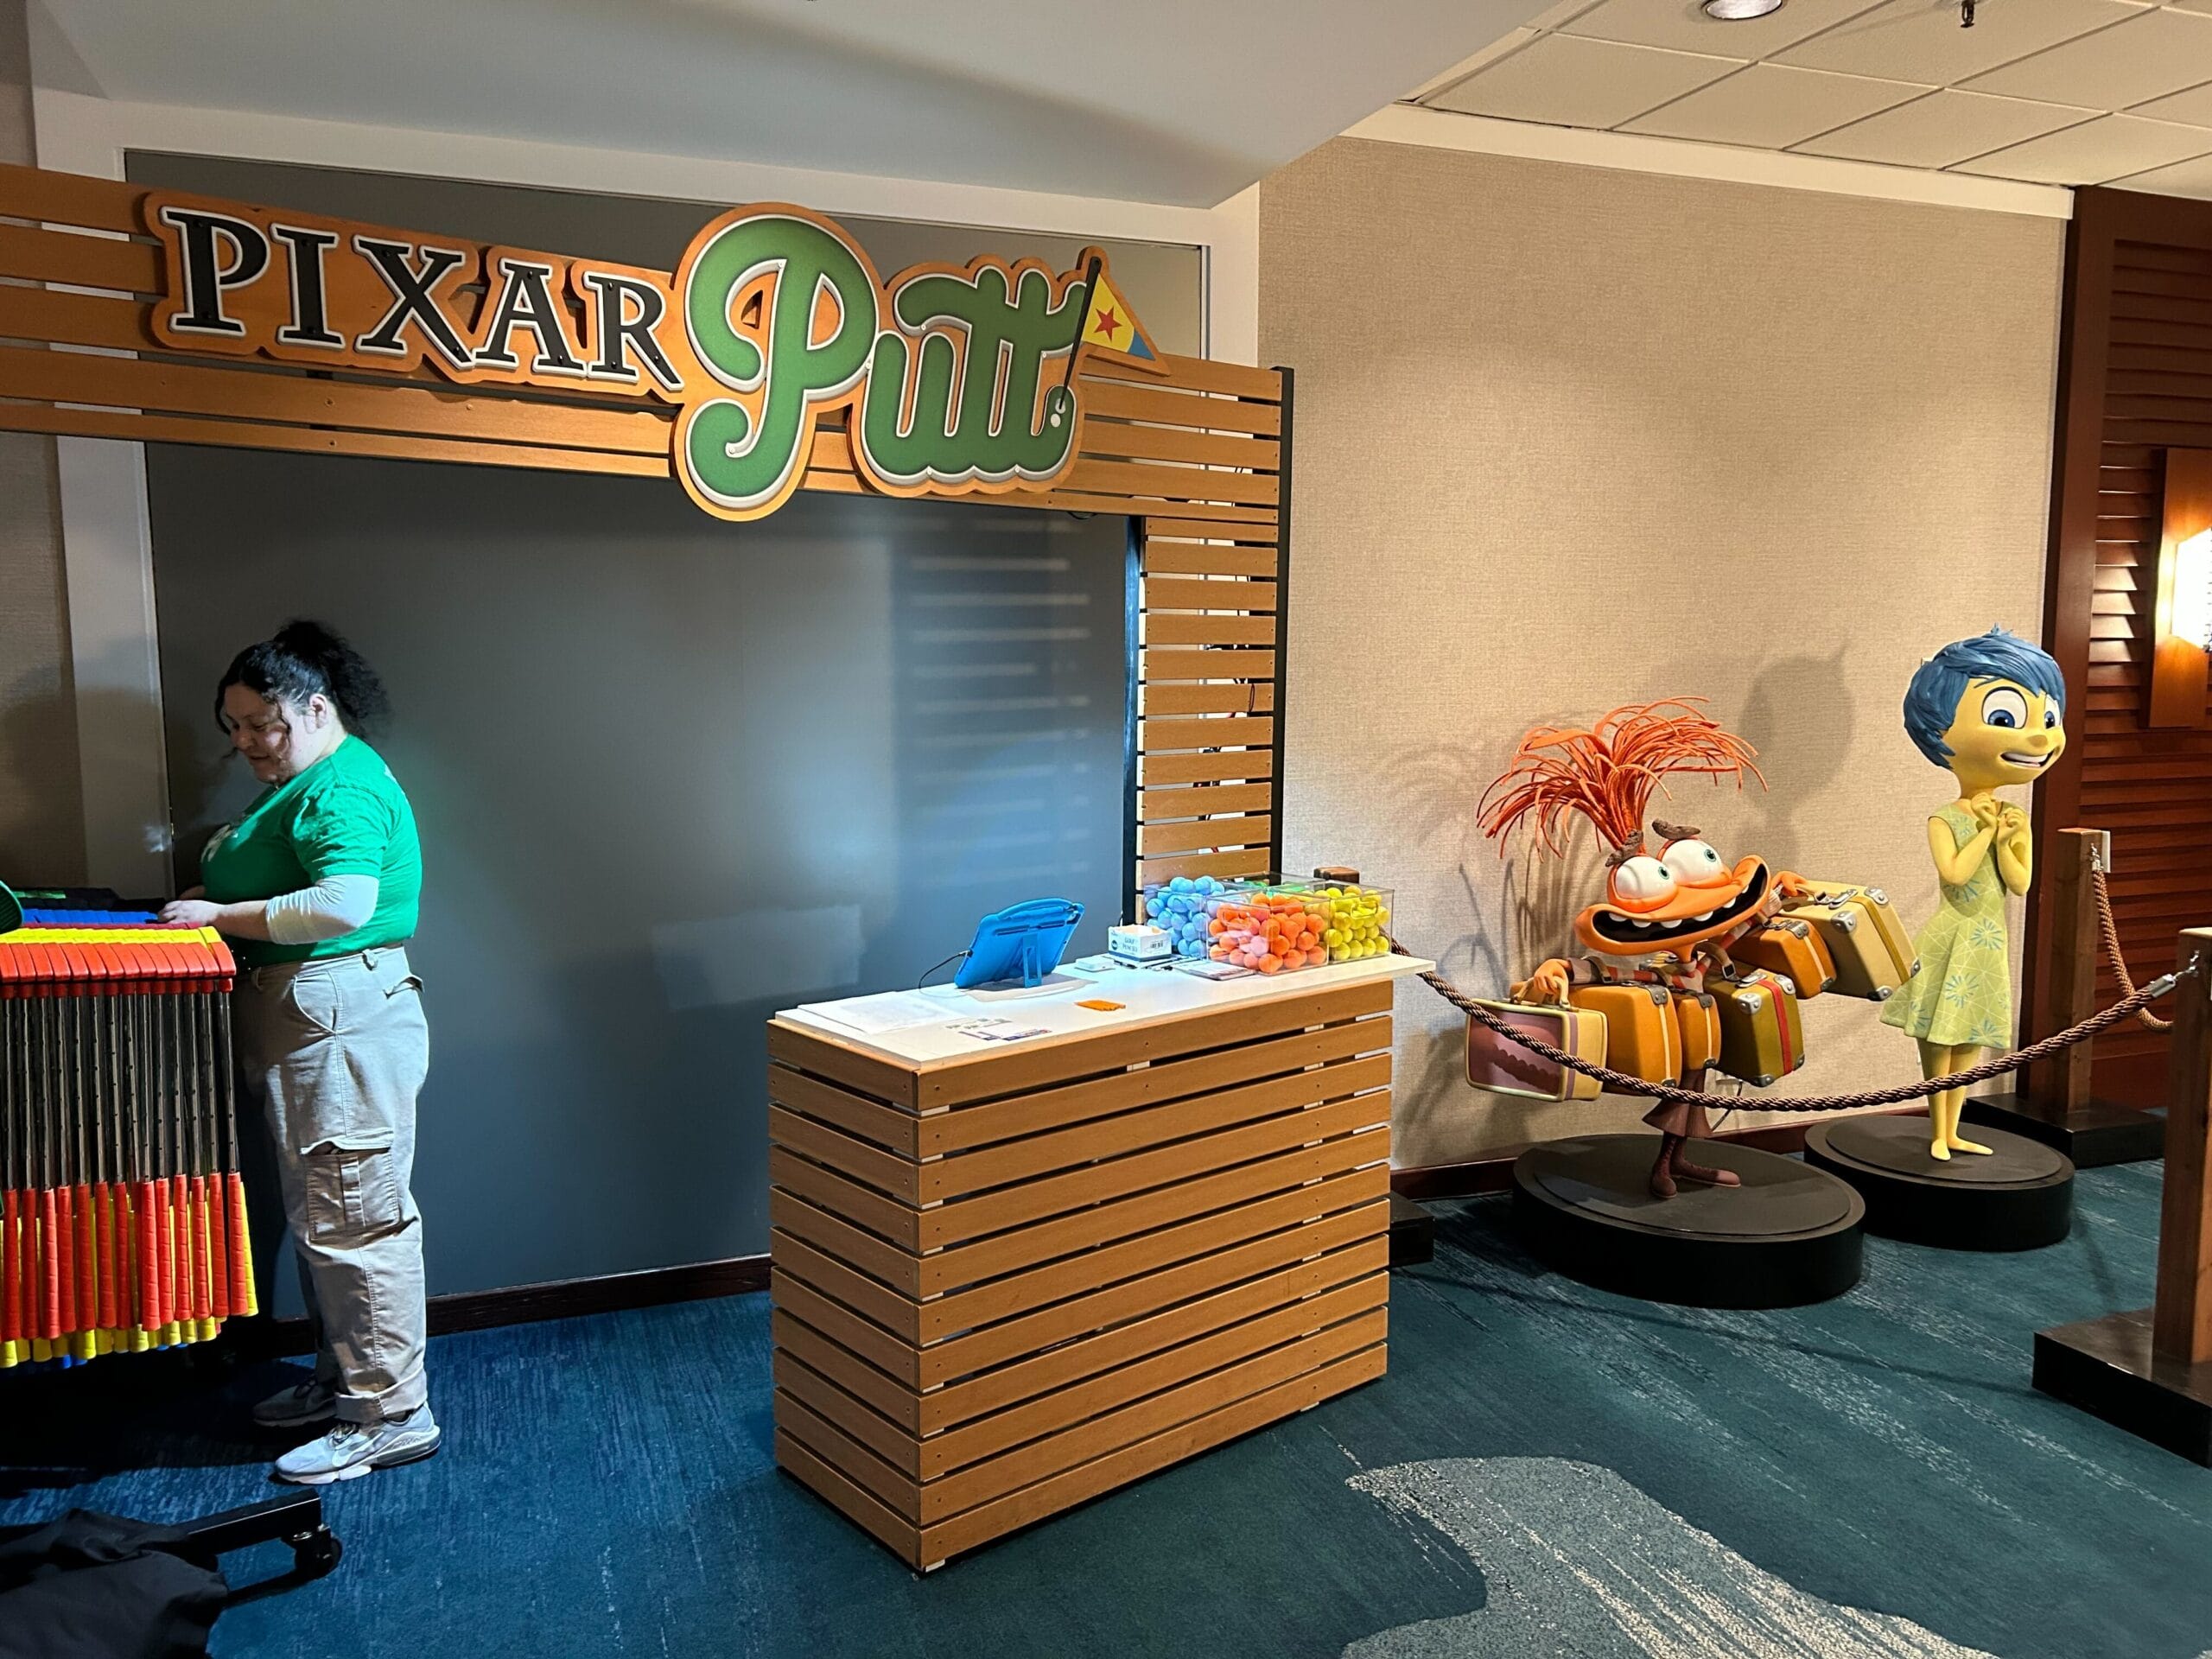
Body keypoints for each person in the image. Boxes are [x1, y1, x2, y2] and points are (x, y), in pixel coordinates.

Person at [160, 620, 436, 1483]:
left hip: (339, 1017)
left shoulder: (341, 786)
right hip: (315, 1017)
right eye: (235, 727)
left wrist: (218, 915)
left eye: (262, 725)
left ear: (315, 709)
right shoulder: (305, 782)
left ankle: (390, 1414)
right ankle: (347, 1381)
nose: (246, 743)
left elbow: (341, 904)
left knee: (355, 1218)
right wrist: (218, 896)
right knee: (329, 1215)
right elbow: (287, 880)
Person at [1881, 626, 2068, 1160]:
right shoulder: (1945, 817)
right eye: (2007, 718)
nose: (2040, 738)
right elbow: (1955, 874)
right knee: (1938, 1039)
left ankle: (1955, 1129)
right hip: (1951, 937)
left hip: (1988, 939)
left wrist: (2010, 839)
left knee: (1968, 1041)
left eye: (2049, 720)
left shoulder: (2014, 817)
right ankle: (1937, 1130)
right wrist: (1985, 831)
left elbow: (2020, 883)